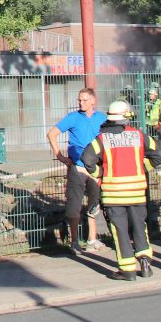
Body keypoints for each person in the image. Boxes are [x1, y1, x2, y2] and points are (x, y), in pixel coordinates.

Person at [80, 100, 161, 280]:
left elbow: (87, 159)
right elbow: (158, 155)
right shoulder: (139, 135)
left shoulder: (102, 139)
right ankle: (145, 263)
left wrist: (100, 172)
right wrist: (142, 168)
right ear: (126, 118)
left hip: (114, 194)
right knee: (140, 228)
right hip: (136, 193)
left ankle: (127, 270)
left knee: (120, 231)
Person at [46, 87, 106, 253]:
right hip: (77, 167)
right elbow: (52, 134)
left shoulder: (101, 118)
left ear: (93, 101)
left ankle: (92, 240)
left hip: (95, 169)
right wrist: (60, 156)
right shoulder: (73, 117)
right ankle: (74, 242)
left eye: (85, 100)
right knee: (75, 205)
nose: (81, 103)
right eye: (79, 100)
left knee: (94, 204)